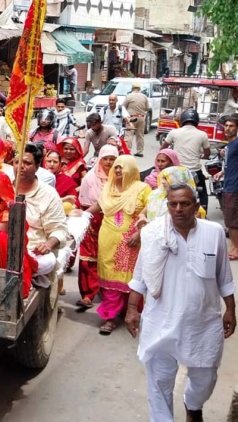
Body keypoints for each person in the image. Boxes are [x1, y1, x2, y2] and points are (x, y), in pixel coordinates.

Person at [125, 184, 235, 422]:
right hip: (161, 321)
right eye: (173, 204)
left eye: (185, 204)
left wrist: (231, 309)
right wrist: (132, 308)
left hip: (202, 323)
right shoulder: (154, 233)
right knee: (159, 381)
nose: (178, 209)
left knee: (206, 377)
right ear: (167, 207)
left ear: (196, 206)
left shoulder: (213, 232)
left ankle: (193, 404)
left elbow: (223, 275)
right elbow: (140, 275)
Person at [92, 155, 150, 334]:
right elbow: (99, 206)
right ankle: (110, 317)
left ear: (132, 169)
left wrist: (139, 233)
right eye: (116, 167)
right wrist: (84, 214)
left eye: (121, 167)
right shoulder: (108, 187)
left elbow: (152, 211)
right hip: (108, 238)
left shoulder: (143, 189)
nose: (117, 171)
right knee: (110, 277)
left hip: (132, 241)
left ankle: (130, 311)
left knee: (130, 278)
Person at [15, 144, 69, 278]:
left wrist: (48, 244)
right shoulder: (2, 187)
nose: (20, 166)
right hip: (3, 247)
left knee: (47, 261)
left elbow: (60, 230)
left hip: (32, 251)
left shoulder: (48, 194)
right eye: (17, 162)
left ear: (38, 166)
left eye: (27, 163)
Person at [76, 145, 119, 309]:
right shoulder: (90, 178)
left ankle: (107, 288)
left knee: (109, 257)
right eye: (105, 159)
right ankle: (87, 294)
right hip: (92, 219)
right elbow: (84, 203)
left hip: (114, 221)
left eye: (112, 159)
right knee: (88, 258)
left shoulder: (120, 177)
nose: (108, 162)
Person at [160, 109, 210, 210]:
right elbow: (207, 153)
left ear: (182, 120)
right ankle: (203, 212)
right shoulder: (202, 134)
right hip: (195, 171)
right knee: (203, 193)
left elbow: (163, 148)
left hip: (177, 171)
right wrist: (202, 156)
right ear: (196, 120)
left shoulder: (174, 132)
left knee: (165, 191)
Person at [214, 114, 238, 259]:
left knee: (232, 220)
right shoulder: (230, 145)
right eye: (226, 125)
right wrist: (222, 172)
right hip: (229, 182)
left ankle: (235, 249)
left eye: (231, 126)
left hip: (233, 187)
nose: (227, 128)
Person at [123, 82, 150, 157]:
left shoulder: (129, 96)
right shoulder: (144, 97)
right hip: (141, 117)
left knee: (129, 134)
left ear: (132, 88)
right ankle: (140, 151)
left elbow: (123, 106)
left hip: (131, 118)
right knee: (140, 135)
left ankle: (127, 150)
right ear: (139, 89)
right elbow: (147, 108)